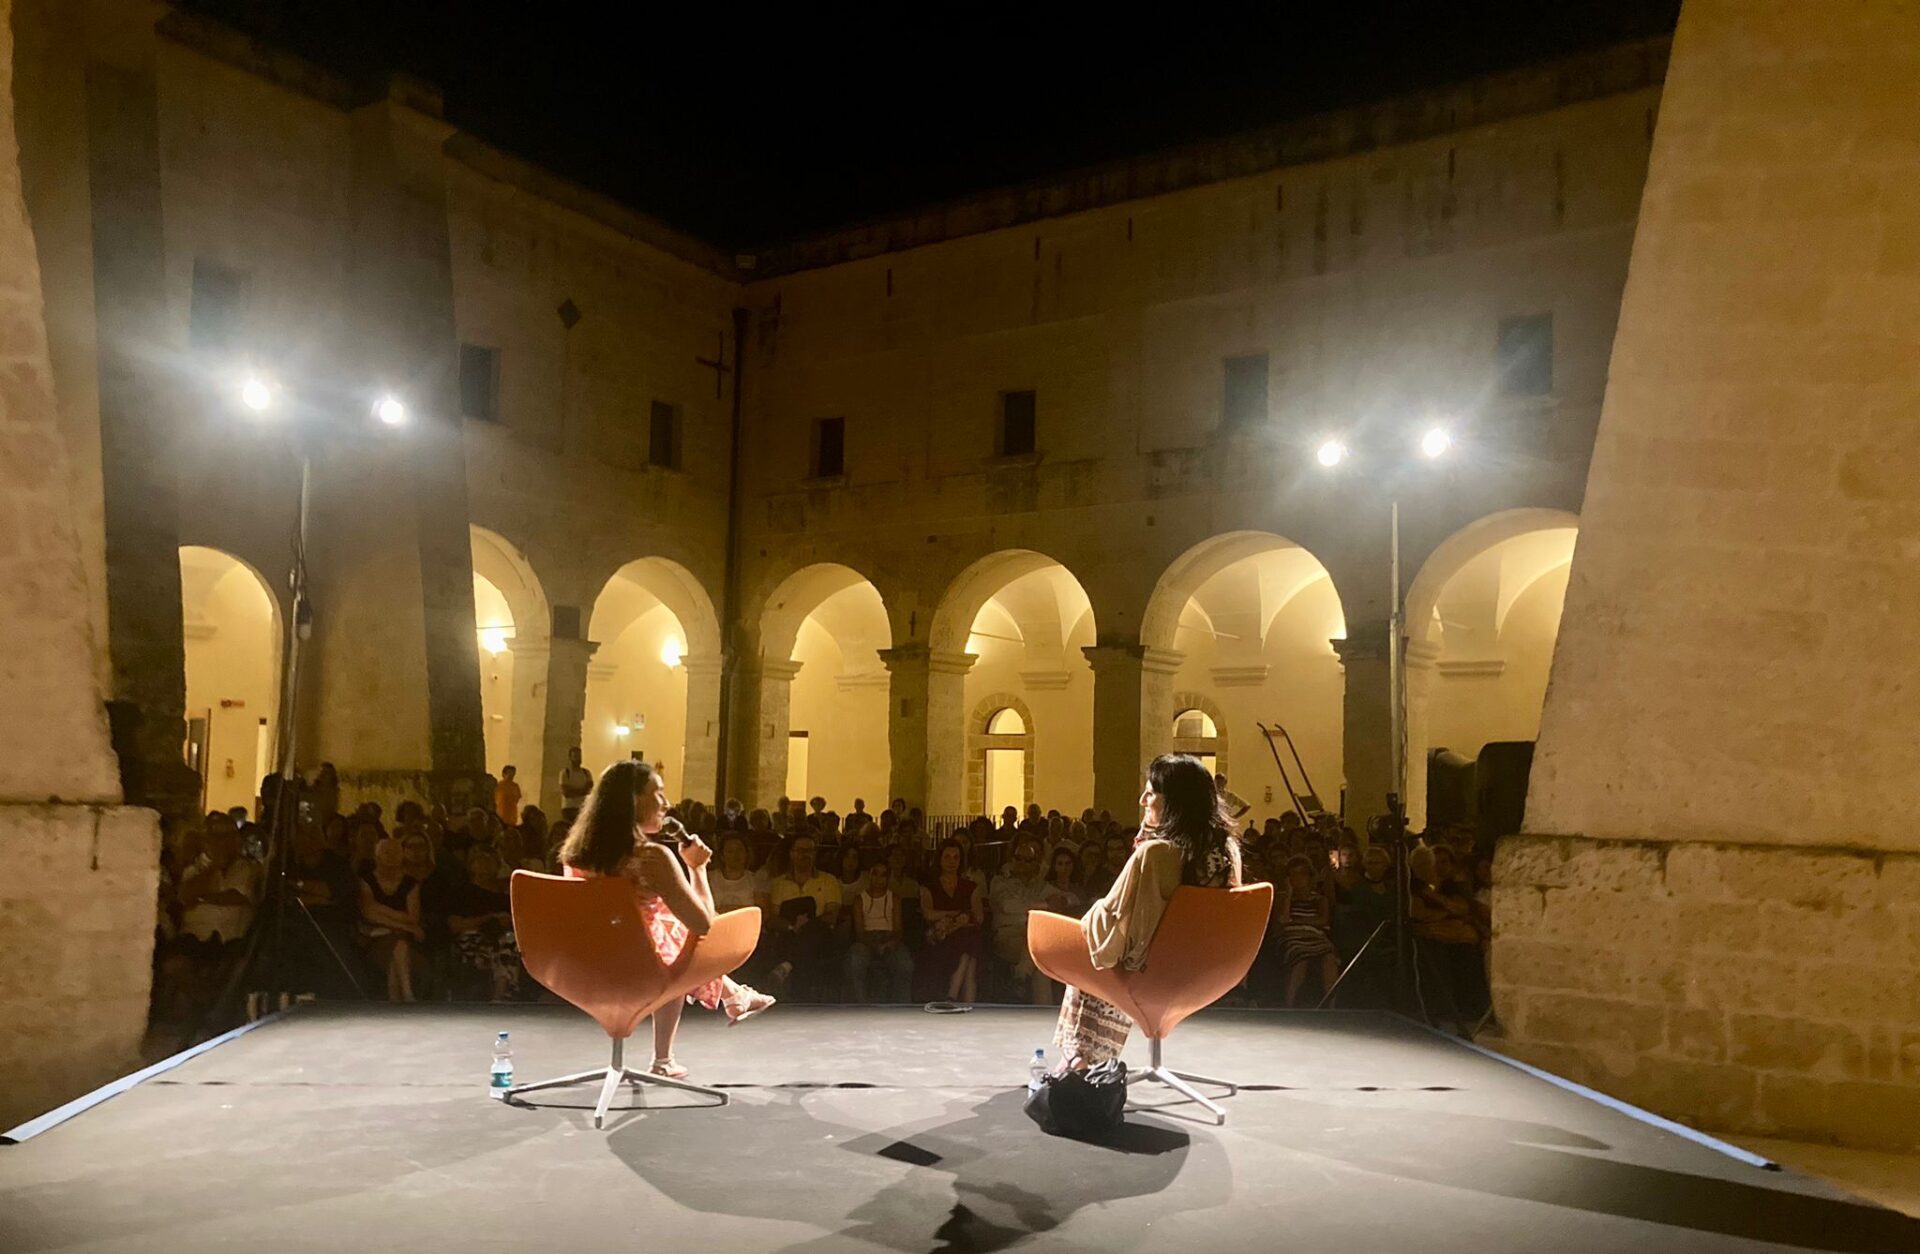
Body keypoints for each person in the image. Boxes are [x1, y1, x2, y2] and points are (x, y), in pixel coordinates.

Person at [559, 761, 774, 1080]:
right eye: (657, 793)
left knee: (665, 932)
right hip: (642, 970)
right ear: (634, 801)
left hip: (585, 966)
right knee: (677, 942)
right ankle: (715, 1011)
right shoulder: (651, 858)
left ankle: (730, 999)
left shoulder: (574, 857)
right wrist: (697, 868)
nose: (666, 803)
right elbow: (704, 925)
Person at [1053, 754, 1241, 1070]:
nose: (1142, 801)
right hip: (1207, 967)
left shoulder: (1157, 855)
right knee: (1108, 952)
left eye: (1151, 793)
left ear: (1175, 803)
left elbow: (1113, 923)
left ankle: (1078, 1061)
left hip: (1157, 972)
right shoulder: (1227, 849)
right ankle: (1081, 1059)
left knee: (1097, 951)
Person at [767, 834, 843, 1000]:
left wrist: (808, 925)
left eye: (809, 851)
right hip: (788, 935)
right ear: (792, 854)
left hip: (821, 938)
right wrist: (792, 927)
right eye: (800, 850)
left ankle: (787, 966)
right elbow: (772, 919)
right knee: (798, 944)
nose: (805, 855)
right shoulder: (778, 884)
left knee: (812, 933)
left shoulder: (828, 881)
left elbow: (832, 916)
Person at [917, 839, 986, 1003]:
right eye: (947, 857)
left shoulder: (971, 887)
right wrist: (959, 915)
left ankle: (952, 996)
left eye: (956, 857)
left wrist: (960, 921)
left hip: (965, 935)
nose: (951, 861)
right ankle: (964, 1002)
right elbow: (928, 914)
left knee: (969, 944)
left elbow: (979, 917)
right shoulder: (928, 887)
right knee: (970, 951)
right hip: (940, 938)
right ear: (939, 859)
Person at [358, 836, 424, 1002]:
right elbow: (368, 913)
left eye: (396, 852)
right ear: (377, 856)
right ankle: (406, 993)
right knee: (397, 946)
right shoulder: (366, 880)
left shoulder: (410, 883)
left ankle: (397, 997)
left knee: (399, 945)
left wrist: (381, 910)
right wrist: (402, 924)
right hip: (374, 935)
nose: (391, 856)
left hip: (402, 935)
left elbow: (412, 917)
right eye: (386, 852)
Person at [987, 837, 1054, 1004]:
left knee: (1040, 963)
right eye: (1018, 858)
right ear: (1011, 860)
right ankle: (1022, 976)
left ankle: (1020, 978)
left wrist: (1064, 901)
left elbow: (1071, 898)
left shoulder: (1039, 885)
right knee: (1037, 951)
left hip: (1031, 937)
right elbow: (1008, 906)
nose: (1022, 863)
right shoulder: (1000, 882)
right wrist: (1045, 905)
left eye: (1028, 860)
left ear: (1035, 864)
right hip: (1006, 937)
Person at [846, 859, 913, 1002]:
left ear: (887, 878)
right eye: (875, 874)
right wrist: (874, 945)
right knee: (856, 960)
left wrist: (891, 943)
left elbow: (898, 928)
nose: (878, 879)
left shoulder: (894, 898)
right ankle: (861, 1005)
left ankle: (901, 1007)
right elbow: (859, 931)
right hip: (866, 939)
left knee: (905, 964)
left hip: (889, 937)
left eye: (883, 875)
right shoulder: (859, 899)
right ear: (869, 875)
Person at [1279, 855, 1338, 1007]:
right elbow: (1283, 921)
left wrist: (1298, 921)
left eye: (1302, 873)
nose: (1298, 878)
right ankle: (1289, 1004)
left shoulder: (1319, 899)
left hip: (1316, 936)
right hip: (1292, 938)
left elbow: (1322, 920)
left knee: (1329, 957)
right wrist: (1289, 894)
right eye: (1293, 874)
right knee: (1300, 957)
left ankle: (1332, 1005)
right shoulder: (1284, 899)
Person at [558, 747, 593, 822]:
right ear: (570, 758)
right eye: (575, 756)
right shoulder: (565, 773)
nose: (578, 759)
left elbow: (589, 790)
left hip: (582, 807)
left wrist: (573, 791)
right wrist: (582, 791)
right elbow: (566, 793)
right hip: (569, 809)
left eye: (579, 756)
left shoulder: (586, 773)